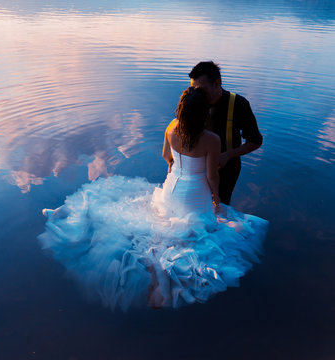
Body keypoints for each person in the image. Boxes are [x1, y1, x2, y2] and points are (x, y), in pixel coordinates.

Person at [39, 87, 268, 311]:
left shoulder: (172, 129)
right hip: (195, 192)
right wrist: (216, 198)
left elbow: (165, 156)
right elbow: (211, 175)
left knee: (166, 227)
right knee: (192, 235)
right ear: (203, 113)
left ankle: (155, 269)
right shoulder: (211, 139)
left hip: (171, 187)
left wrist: (177, 166)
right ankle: (165, 273)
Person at [189, 61, 263, 205]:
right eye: (194, 89)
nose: (198, 94)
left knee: (219, 208)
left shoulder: (239, 104)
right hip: (196, 167)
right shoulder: (192, 101)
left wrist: (227, 155)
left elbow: (255, 141)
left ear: (217, 83)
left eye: (203, 90)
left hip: (226, 170)